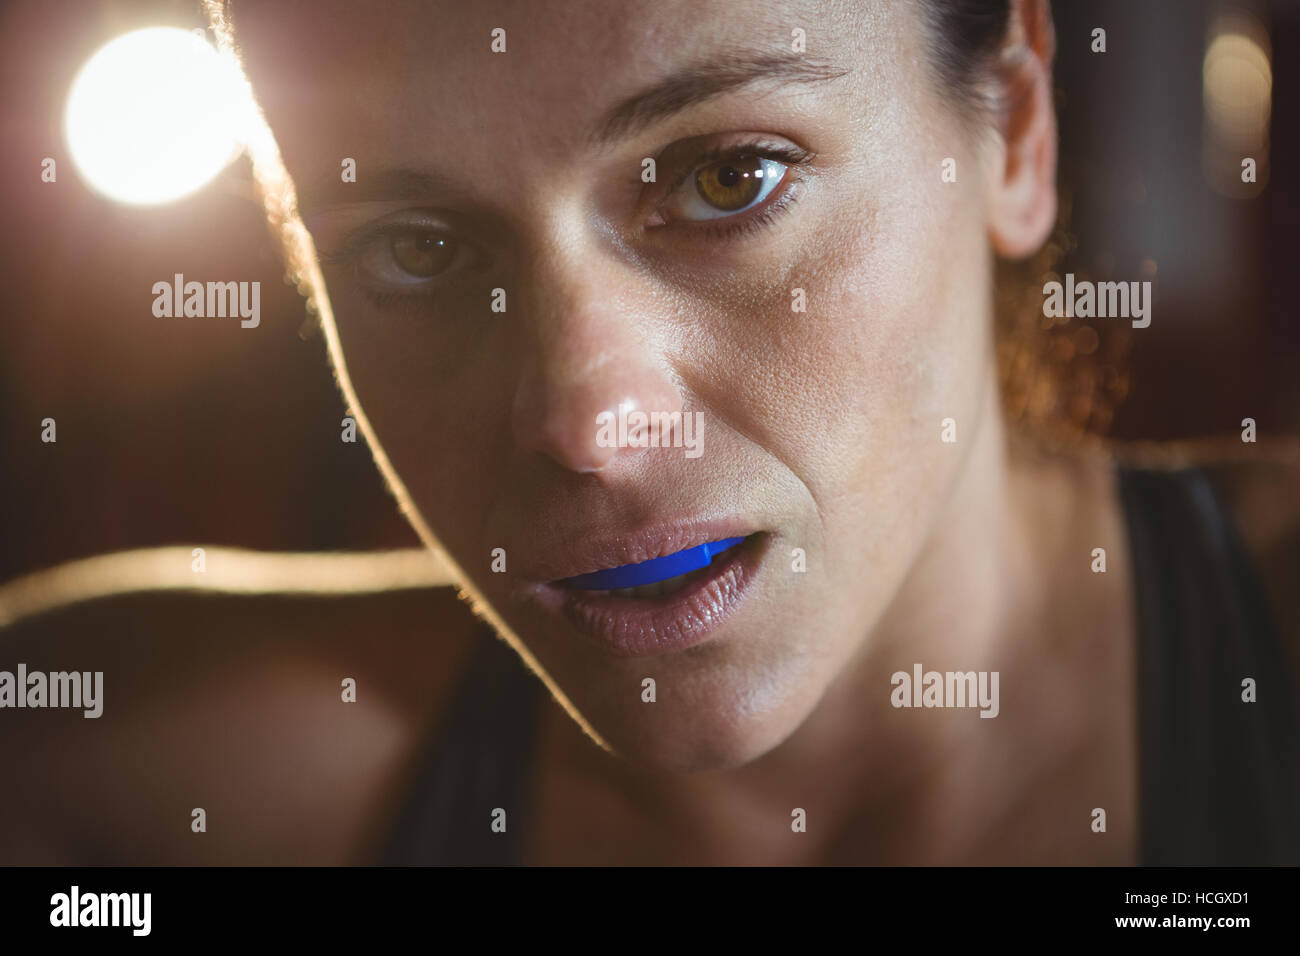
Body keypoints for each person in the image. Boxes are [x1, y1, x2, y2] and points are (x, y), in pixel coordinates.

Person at [1, 0, 1295, 865]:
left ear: (1013, 129)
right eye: (419, 249)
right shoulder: (110, 785)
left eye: (726, 178)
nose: (585, 427)